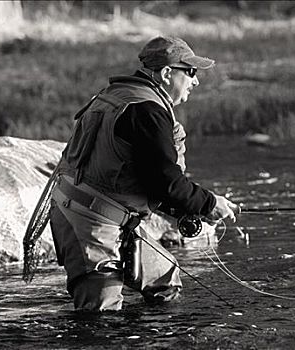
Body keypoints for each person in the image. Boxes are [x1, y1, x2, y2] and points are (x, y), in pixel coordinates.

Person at [49, 36, 239, 311]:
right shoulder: (146, 110)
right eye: (191, 72)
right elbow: (166, 184)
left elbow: (145, 178)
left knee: (165, 280)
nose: (195, 81)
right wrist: (210, 204)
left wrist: (191, 210)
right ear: (166, 74)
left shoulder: (118, 95)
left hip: (106, 214)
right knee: (101, 318)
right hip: (89, 222)